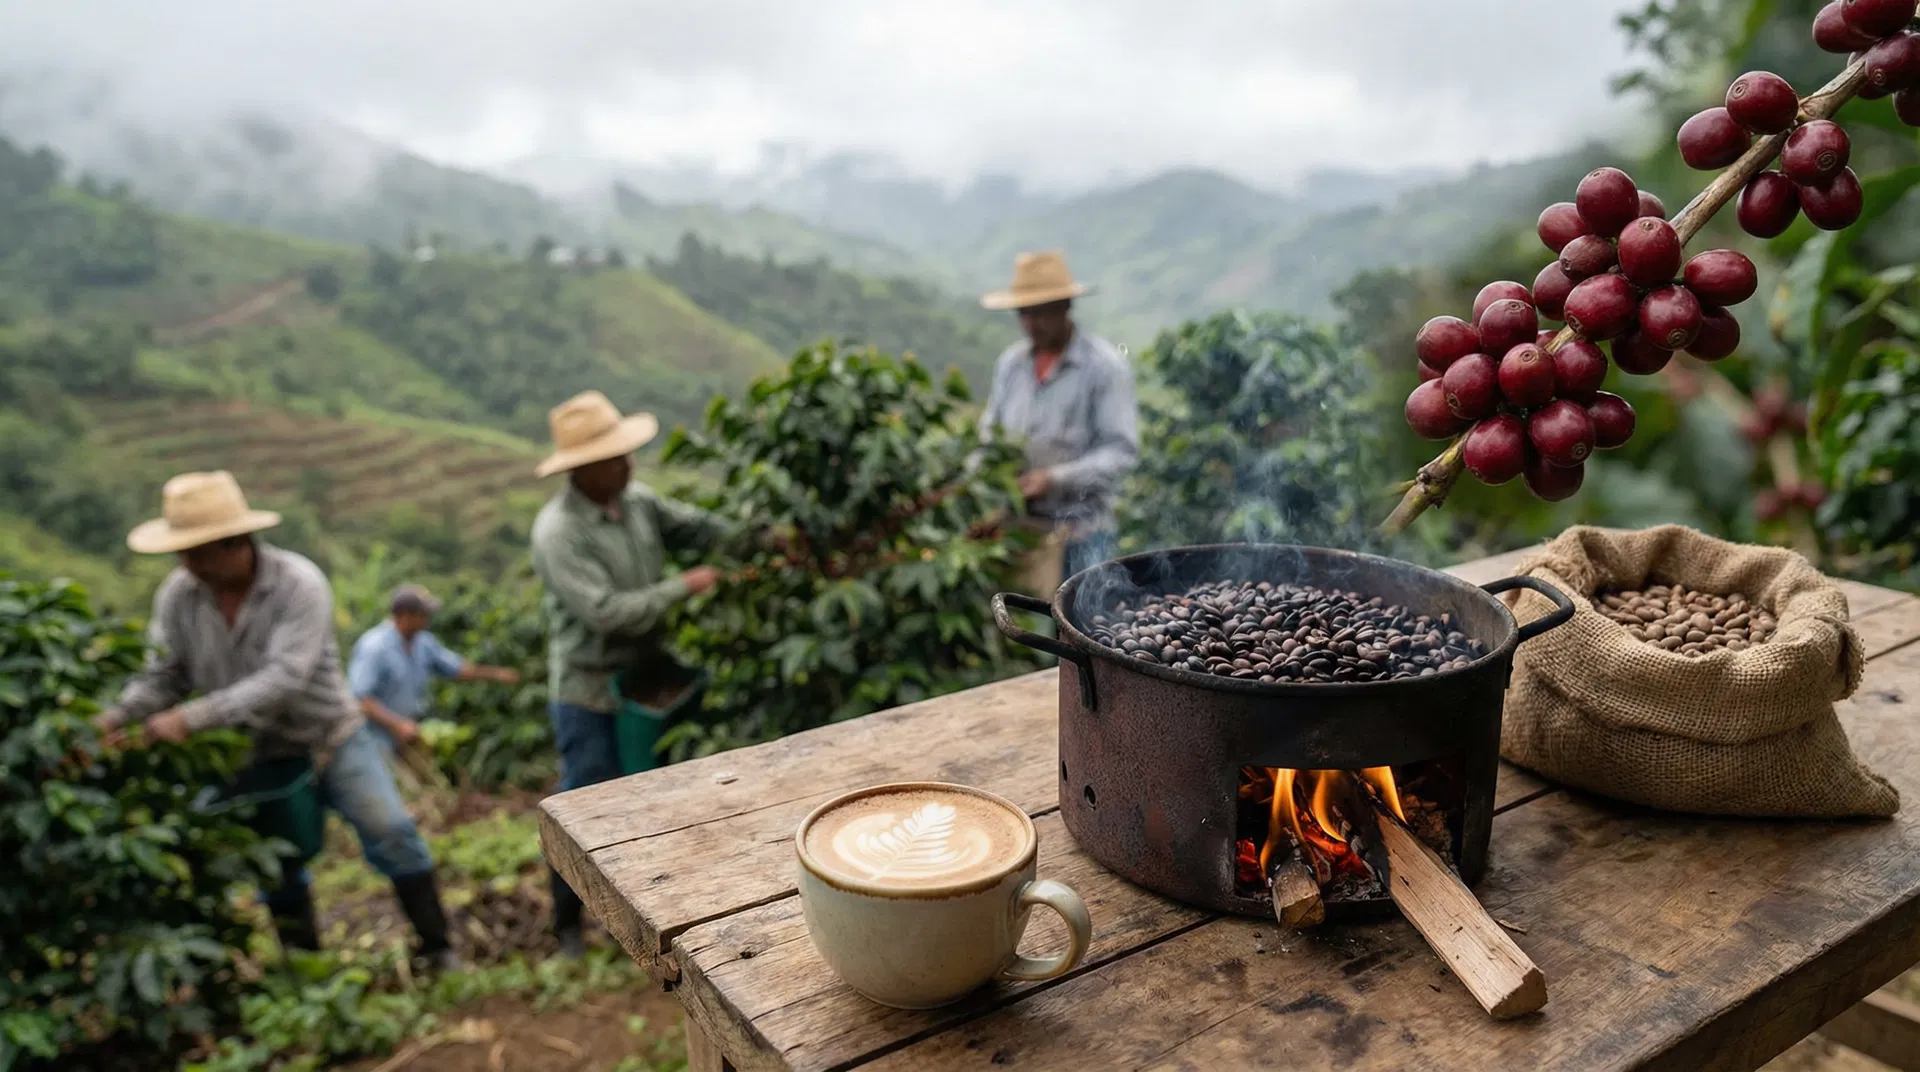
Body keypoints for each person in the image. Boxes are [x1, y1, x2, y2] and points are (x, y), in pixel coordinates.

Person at [94, 471, 460, 970]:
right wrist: (115, 716)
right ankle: (307, 969)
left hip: (330, 738)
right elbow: (166, 674)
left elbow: (284, 678)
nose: (186, 564)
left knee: (391, 829)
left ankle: (437, 948)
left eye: (197, 552)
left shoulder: (297, 585)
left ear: (235, 543)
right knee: (277, 863)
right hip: (254, 751)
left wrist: (192, 718)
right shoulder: (179, 597)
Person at [528, 390, 738, 957]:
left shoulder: (637, 501)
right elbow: (606, 614)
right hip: (590, 690)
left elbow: (697, 526)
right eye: (615, 458)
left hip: (649, 675)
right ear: (582, 470)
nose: (628, 464)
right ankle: (568, 925)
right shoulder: (559, 533)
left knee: (655, 795)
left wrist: (756, 537)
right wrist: (685, 585)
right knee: (584, 804)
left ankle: (653, 913)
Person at [977, 249, 1140, 588]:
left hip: (1080, 533)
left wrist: (1053, 479)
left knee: (1071, 630)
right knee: (1020, 625)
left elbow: (1121, 452)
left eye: (1040, 313)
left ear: (1065, 307)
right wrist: (979, 486)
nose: (1030, 324)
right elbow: (988, 436)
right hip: (1020, 528)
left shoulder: (1103, 368)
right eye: (1024, 313)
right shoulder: (1012, 364)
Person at [348, 583, 520, 757]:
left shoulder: (423, 643)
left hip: (405, 739)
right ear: (405, 616)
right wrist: (398, 725)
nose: (427, 620)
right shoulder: (375, 647)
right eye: (423, 615)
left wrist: (497, 674)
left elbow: (457, 668)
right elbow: (362, 699)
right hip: (374, 741)